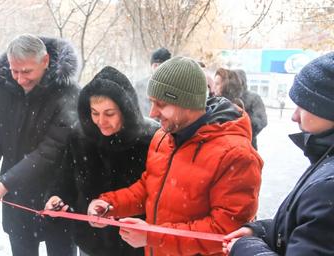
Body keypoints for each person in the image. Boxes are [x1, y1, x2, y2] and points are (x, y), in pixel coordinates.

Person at [87, 57, 263, 255]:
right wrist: (110, 204)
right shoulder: (163, 137)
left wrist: (153, 236)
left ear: (187, 103)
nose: (152, 113)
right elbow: (148, 188)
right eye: (152, 103)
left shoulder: (236, 155)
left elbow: (226, 231)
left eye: (161, 104)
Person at [0, 34, 80, 256]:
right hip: (17, 200)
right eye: (14, 70)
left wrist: (5, 183)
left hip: (56, 196)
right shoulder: (4, 89)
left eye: (27, 71)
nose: (20, 79)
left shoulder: (67, 93)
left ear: (45, 61)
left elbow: (51, 151)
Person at [224, 52, 334, 255]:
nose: (294, 116)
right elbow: (303, 225)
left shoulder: (329, 186)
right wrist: (260, 231)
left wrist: (247, 249)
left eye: (304, 106)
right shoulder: (325, 161)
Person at [44, 66, 158, 256]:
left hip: (133, 244)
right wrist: (55, 197)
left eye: (109, 113)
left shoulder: (149, 139)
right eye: (94, 112)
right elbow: (65, 178)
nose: (100, 121)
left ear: (126, 110)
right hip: (91, 242)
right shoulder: (79, 137)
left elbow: (154, 193)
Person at [234, 69, 267, 149]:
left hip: (248, 144)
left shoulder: (254, 97)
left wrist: (246, 130)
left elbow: (262, 121)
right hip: (229, 144)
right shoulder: (228, 96)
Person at [135, 47, 172, 115]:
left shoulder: (174, 87)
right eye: (155, 65)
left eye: (161, 66)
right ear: (151, 66)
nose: (157, 68)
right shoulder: (140, 86)